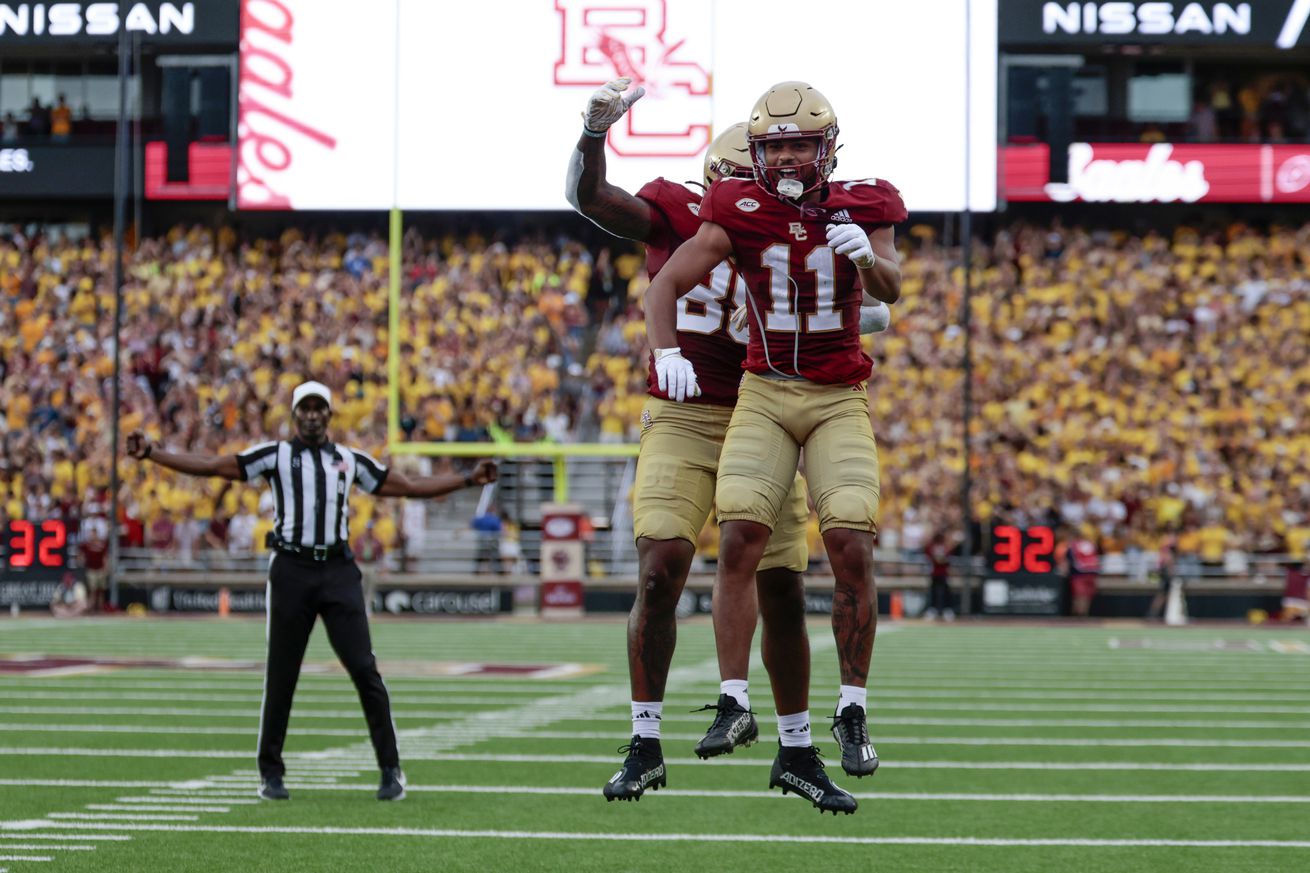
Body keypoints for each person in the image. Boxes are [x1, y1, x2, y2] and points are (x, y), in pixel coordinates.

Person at [569, 79, 888, 810]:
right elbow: (592, 201)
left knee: (782, 585)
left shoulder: (792, 221)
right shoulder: (688, 212)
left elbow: (842, 299)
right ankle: (647, 740)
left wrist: (864, 306)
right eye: (746, 176)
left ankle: (797, 746)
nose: (761, 189)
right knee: (662, 565)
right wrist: (592, 135)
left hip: (763, 404)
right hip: (685, 412)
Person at [126, 380, 497, 802]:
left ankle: (391, 769)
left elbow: (407, 487)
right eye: (305, 408)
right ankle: (271, 772)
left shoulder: (348, 459)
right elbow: (214, 465)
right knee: (281, 674)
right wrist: (153, 453)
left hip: (338, 570)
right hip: (291, 568)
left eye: (320, 407)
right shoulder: (275, 455)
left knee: (364, 668)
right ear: (294, 414)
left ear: (330, 415)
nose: (312, 414)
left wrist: (468, 479)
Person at [923, 530, 955, 621]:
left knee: (946, 591)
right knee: (933, 591)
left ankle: (947, 609)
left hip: (944, 573)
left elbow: (947, 557)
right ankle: (932, 609)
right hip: (934, 572)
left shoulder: (946, 546)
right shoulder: (931, 546)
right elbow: (931, 556)